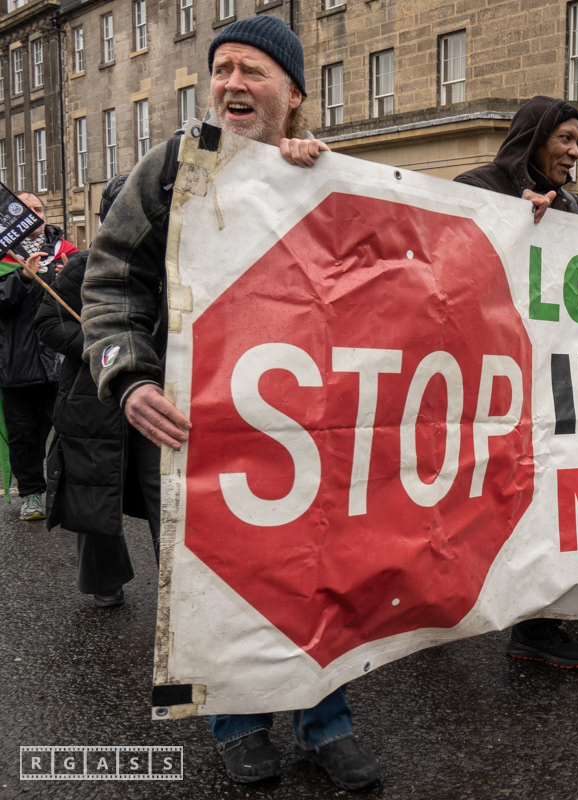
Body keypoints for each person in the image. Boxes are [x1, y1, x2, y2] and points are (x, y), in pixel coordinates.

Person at [81, 16, 380, 791]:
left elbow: (401, 280)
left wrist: (533, 224)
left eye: (252, 71)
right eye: (222, 70)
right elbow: (109, 281)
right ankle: (236, 722)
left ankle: (326, 721)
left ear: (294, 93)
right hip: (194, 426)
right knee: (214, 579)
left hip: (309, 429)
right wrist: (129, 377)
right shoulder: (169, 170)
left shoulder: (328, 176)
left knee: (317, 570)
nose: (231, 85)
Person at [455, 96, 578, 669]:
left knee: (544, 499)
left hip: (549, 381)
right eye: (565, 138)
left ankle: (538, 625)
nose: (574, 151)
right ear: (535, 138)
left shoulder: (573, 205)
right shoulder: (478, 186)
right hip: (486, 377)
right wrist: (508, 220)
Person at [34, 174, 162, 609]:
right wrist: (107, 349)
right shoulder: (82, 266)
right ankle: (104, 581)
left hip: (157, 393)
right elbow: (49, 324)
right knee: (93, 493)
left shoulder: (172, 267)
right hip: (92, 398)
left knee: (165, 492)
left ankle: (181, 586)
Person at [0, 192, 78, 521]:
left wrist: (70, 278)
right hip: (16, 364)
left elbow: (85, 299)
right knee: (23, 437)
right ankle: (32, 494)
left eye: (38, 208)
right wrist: (23, 278)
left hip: (59, 361)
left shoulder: (67, 252)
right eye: (26, 209)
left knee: (71, 429)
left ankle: (72, 492)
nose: (34, 214)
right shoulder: (5, 257)